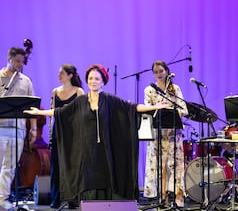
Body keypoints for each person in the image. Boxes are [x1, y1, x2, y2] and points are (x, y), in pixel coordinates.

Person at [24, 64, 167, 203]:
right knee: (88, 177)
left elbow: (131, 107)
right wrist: (39, 112)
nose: (93, 81)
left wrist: (153, 107)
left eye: (97, 79)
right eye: (91, 78)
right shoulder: (81, 101)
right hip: (87, 149)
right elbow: (60, 112)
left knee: (105, 174)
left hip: (105, 149)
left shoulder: (110, 100)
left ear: (103, 81)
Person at [0, 47, 37, 210]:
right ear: (9, 59)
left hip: (18, 129)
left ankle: (3, 199)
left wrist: (33, 128)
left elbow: (32, 106)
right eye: (17, 61)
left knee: (10, 166)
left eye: (22, 61)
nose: (20, 64)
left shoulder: (26, 81)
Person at [143, 60, 188, 207]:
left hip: (173, 133)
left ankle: (178, 196)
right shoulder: (149, 89)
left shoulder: (175, 88)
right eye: (156, 72)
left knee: (175, 165)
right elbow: (147, 109)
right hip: (157, 133)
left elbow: (184, 109)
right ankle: (162, 196)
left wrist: (172, 111)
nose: (158, 74)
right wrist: (157, 108)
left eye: (161, 71)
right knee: (158, 165)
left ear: (167, 71)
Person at [49, 64, 84, 209]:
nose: (59, 75)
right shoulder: (55, 92)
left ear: (70, 75)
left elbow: (82, 113)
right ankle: (55, 198)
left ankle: (73, 199)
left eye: (62, 73)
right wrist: (51, 132)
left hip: (73, 132)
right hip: (58, 130)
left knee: (72, 165)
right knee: (55, 165)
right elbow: (52, 113)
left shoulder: (79, 91)